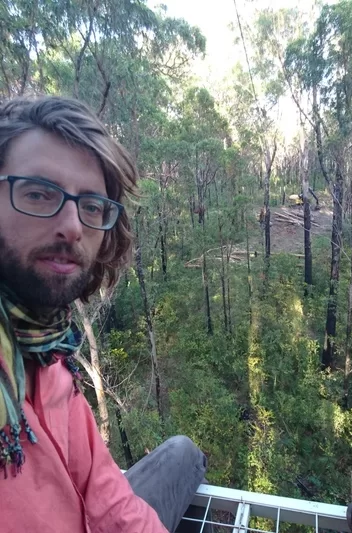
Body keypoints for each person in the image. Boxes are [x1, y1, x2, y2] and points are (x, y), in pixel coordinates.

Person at [0, 96, 210, 533]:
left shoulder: (51, 352)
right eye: (39, 193)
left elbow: (106, 493)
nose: (73, 225)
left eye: (92, 206)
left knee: (183, 453)